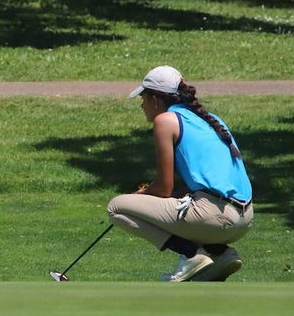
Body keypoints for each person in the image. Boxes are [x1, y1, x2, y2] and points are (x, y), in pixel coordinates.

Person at [107, 66, 254, 282]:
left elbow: (164, 189)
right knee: (181, 203)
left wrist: (142, 194)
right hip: (246, 217)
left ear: (155, 99)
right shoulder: (212, 119)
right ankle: (220, 252)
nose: (142, 104)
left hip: (215, 217)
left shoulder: (165, 121)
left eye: (144, 97)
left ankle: (191, 254)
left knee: (116, 207)